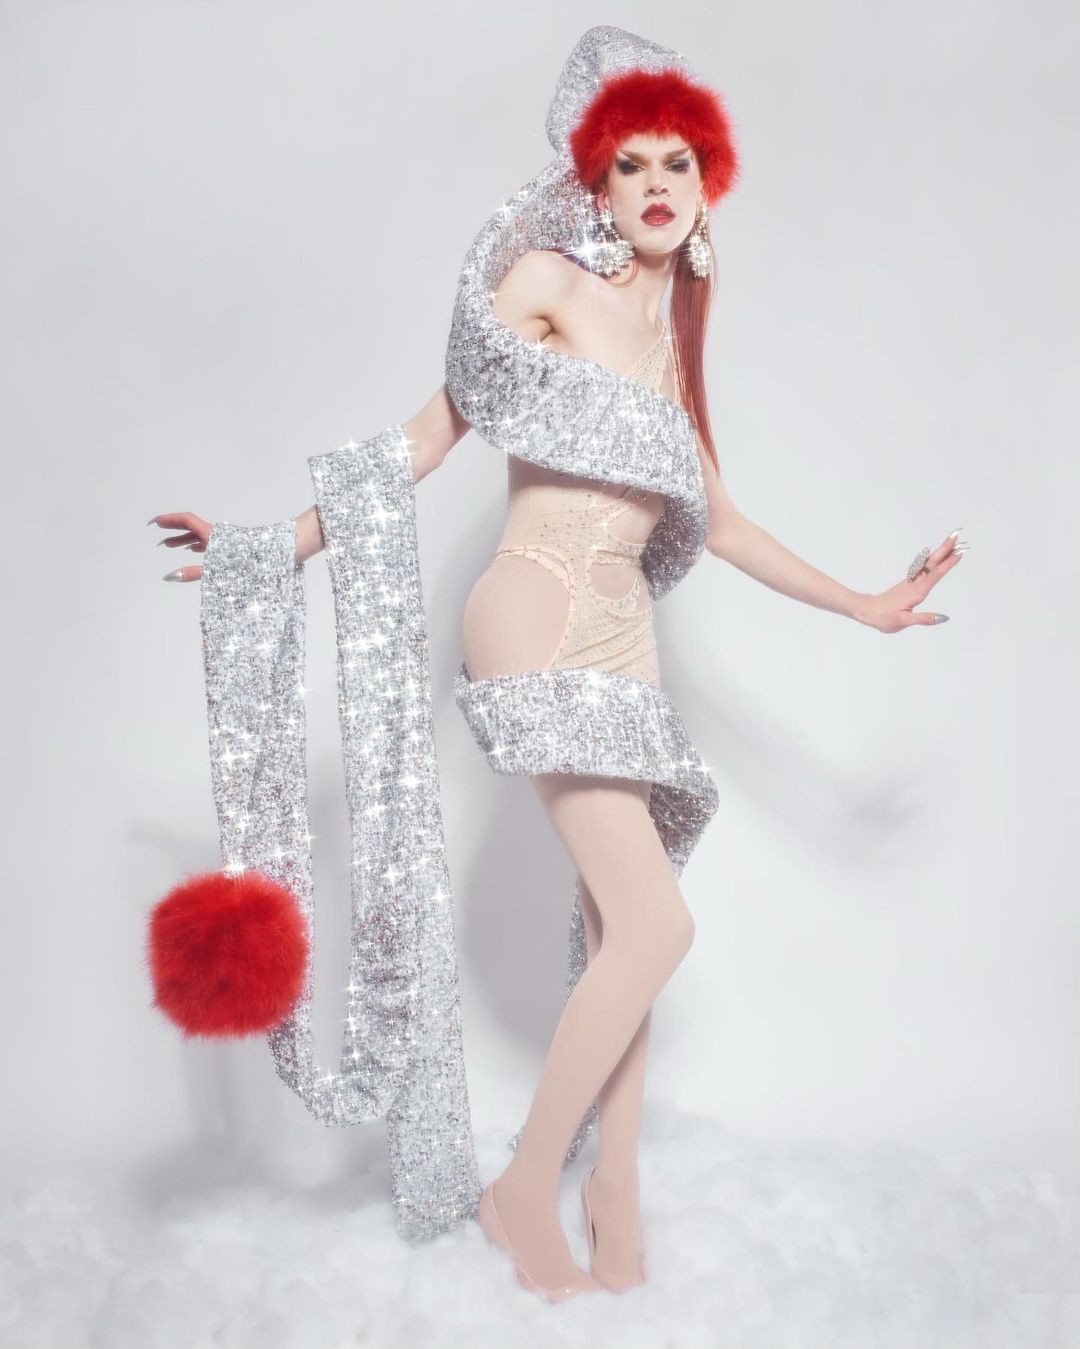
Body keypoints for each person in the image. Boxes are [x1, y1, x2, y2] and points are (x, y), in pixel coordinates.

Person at [149, 26, 967, 1301]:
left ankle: (612, 1190)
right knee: (659, 922)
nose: (656, 182)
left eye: (678, 162)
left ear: (707, 188)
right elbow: (428, 436)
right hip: (533, 603)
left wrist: (866, 604)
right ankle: (526, 1182)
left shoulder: (674, 342)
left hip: (622, 626)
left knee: (613, 917)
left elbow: (723, 521)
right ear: (596, 183)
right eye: (631, 161)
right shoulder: (546, 283)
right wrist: (272, 543)